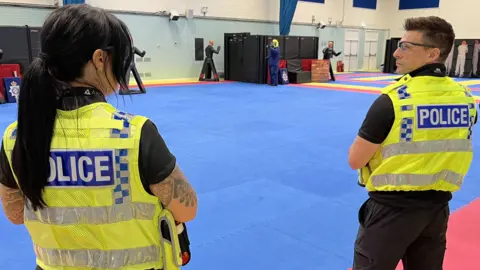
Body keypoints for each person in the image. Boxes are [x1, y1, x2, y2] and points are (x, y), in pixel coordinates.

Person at [0, 4, 198, 270]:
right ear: (100, 59)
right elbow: (187, 209)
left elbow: (15, 214)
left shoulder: (16, 137)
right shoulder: (133, 134)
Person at [348, 16, 477, 270]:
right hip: (437, 211)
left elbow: (356, 160)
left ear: (432, 54)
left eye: (406, 46)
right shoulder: (465, 99)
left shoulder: (395, 100)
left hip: (390, 212)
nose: (396, 52)